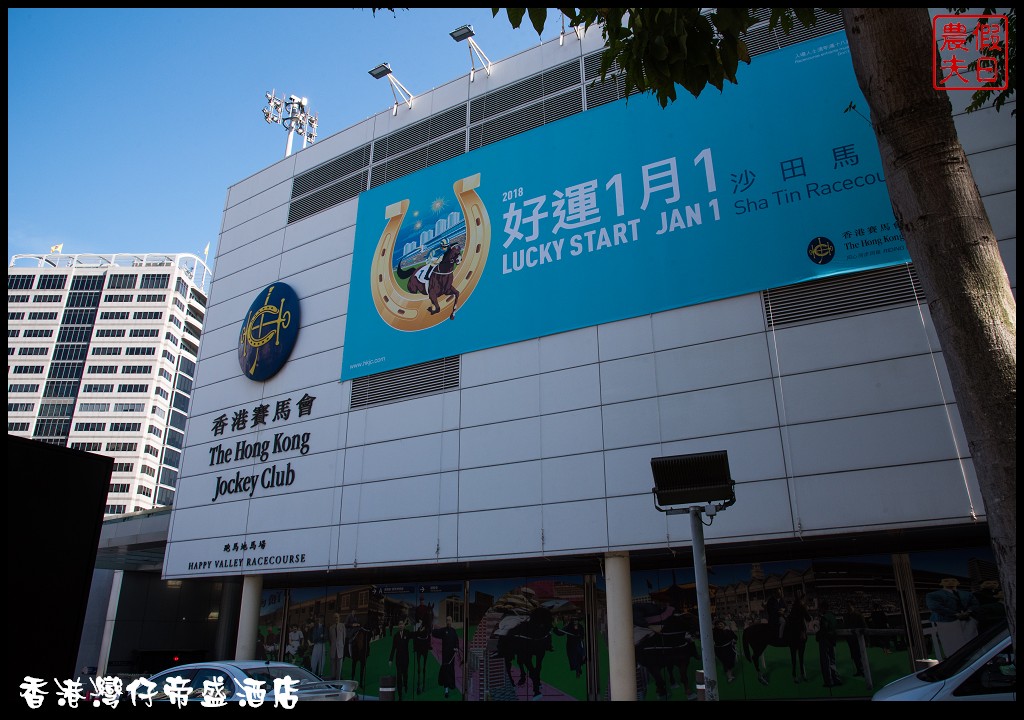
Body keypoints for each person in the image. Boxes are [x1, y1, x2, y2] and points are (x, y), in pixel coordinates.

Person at [925, 577, 979, 658]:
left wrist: (968, 612)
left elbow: (975, 604)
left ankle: (974, 658)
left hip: (968, 619)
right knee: (951, 643)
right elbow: (935, 607)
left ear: (958, 583)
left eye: (953, 580)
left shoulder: (967, 594)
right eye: (946, 580)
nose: (950, 582)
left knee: (972, 641)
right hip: (947, 621)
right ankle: (954, 660)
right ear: (941, 583)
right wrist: (955, 614)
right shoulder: (933, 594)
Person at [431, 615, 461, 698]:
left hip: (452, 655)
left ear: (451, 621)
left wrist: (457, 648)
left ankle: (451, 685)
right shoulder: (443, 630)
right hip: (445, 656)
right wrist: (431, 627)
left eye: (449, 620)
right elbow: (435, 633)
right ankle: (446, 689)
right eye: (447, 620)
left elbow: (456, 641)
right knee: (446, 672)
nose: (448, 622)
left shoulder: (454, 631)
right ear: (446, 621)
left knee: (451, 670)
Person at [817, 601, 842, 687]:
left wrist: (818, 635)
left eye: (820, 608)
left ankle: (829, 681)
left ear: (823, 608)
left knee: (825, 661)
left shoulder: (824, 617)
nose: (820, 609)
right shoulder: (832, 616)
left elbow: (824, 630)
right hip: (832, 641)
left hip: (825, 641)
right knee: (832, 661)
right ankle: (836, 679)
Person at [388, 619, 412, 699]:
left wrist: (420, 630)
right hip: (398, 660)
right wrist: (390, 659)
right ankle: (400, 695)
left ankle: (405, 685)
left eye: (402, 624)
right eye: (399, 624)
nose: (401, 625)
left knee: (405, 675)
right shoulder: (396, 636)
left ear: (404, 625)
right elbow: (393, 648)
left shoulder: (407, 633)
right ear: (398, 626)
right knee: (399, 677)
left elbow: (414, 635)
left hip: (406, 659)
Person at [843, 603, 867, 677]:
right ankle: (859, 670)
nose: (848, 608)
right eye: (847, 606)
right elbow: (845, 626)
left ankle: (864, 671)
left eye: (849, 606)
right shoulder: (846, 616)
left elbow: (864, 626)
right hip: (850, 639)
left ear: (853, 606)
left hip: (858, 638)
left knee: (860, 655)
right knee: (854, 655)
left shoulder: (858, 615)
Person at [328, 612, 347, 680]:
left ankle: (338, 681)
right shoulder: (331, 628)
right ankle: (333, 679)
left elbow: (344, 638)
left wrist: (342, 646)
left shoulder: (342, 626)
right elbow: (330, 639)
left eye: (337, 617)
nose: (336, 619)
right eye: (335, 617)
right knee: (333, 666)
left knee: (339, 667)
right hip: (333, 649)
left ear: (339, 618)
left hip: (340, 649)